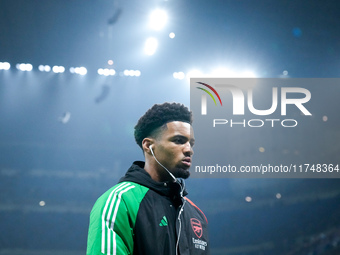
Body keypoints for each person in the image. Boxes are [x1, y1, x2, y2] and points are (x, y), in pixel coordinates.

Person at [86, 102, 210, 255]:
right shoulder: (119, 201)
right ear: (148, 145)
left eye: (191, 143)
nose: (188, 150)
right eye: (178, 140)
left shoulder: (196, 214)